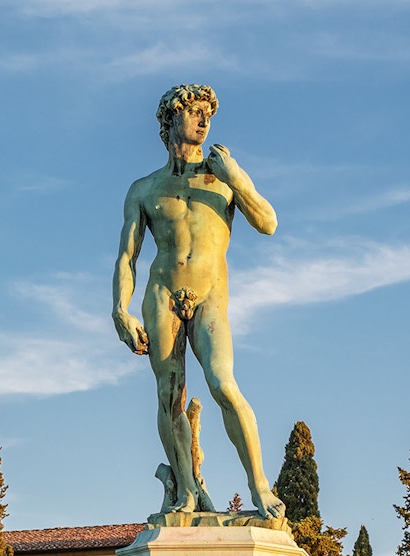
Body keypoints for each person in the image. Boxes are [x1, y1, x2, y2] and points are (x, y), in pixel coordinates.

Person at [111, 84, 285, 519]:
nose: (204, 120)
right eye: (194, 111)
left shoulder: (223, 179)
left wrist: (237, 176)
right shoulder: (145, 188)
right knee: (169, 395)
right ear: (171, 120)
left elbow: (268, 223)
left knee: (223, 383)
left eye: (208, 113)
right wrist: (120, 309)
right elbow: (127, 257)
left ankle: (260, 488)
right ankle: (186, 490)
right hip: (162, 292)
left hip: (209, 293)